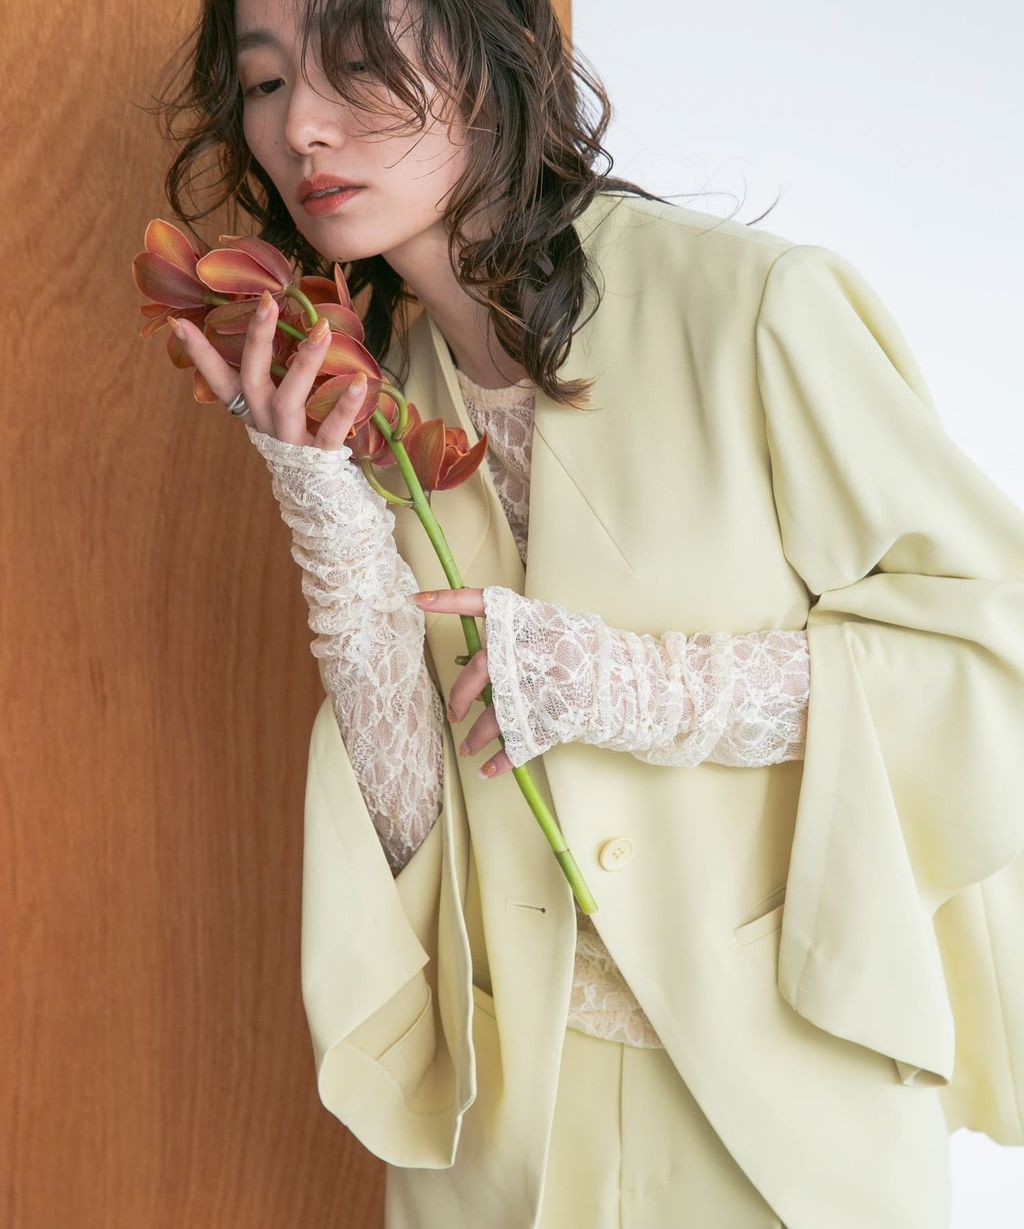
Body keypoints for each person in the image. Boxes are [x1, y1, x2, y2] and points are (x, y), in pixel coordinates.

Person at [154, 1, 1024, 1226]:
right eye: (263, 82)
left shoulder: (754, 305)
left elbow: (989, 649)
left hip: (779, 1101)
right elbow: (413, 816)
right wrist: (323, 503)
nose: (300, 124)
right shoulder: (374, 390)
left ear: (498, 53)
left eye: (356, 63)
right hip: (507, 1125)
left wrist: (632, 686)